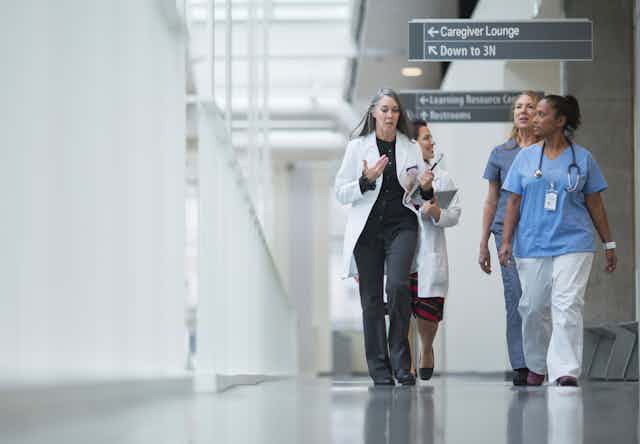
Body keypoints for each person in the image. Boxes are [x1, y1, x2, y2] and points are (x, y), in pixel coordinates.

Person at [498, 94, 617, 386]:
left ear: (560, 121)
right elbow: (512, 202)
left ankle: (565, 370)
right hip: (533, 243)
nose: (534, 119)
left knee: (567, 305)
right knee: (533, 307)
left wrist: (608, 243)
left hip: (574, 243)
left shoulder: (583, 158)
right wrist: (506, 241)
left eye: (541, 114)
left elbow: (595, 204)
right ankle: (537, 365)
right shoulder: (526, 157)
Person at [335, 88, 434, 386]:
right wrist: (366, 180)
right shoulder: (357, 148)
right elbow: (341, 191)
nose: (390, 115)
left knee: (399, 286)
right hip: (367, 231)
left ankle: (402, 364)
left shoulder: (411, 147)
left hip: (401, 225)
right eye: (385, 110)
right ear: (374, 113)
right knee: (372, 301)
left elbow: (419, 193)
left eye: (395, 110)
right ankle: (379, 369)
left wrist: (427, 188)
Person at [478, 91, 542, 386]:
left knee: (539, 299)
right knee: (515, 298)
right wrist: (483, 242)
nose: (523, 111)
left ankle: (541, 361)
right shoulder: (500, 153)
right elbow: (491, 199)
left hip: (541, 232)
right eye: (518, 107)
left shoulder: (547, 151)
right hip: (505, 232)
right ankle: (521, 364)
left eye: (530, 106)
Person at [408, 120, 461, 381]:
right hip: (404, 253)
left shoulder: (444, 177)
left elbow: (454, 214)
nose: (432, 143)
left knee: (428, 311)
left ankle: (426, 348)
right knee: (400, 309)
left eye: (431, 138)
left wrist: (437, 211)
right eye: (426, 138)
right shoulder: (398, 177)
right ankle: (405, 361)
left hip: (429, 254)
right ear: (411, 144)